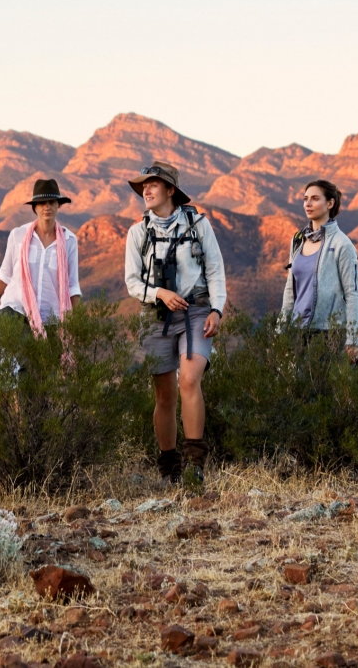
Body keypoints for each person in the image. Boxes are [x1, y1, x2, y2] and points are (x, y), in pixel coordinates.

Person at [125, 161, 227, 484]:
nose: (146, 190)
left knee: (189, 381)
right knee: (164, 395)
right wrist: (159, 294)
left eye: (153, 184)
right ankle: (170, 470)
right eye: (143, 185)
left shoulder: (198, 224)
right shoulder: (137, 233)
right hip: (156, 317)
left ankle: (196, 467)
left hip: (196, 312)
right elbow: (131, 282)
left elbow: (215, 269)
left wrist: (218, 310)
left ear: (171, 190)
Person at [0, 178, 81, 332]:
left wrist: (76, 322)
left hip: (50, 317)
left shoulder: (69, 241)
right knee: (9, 353)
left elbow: (72, 284)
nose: (47, 207)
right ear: (35, 207)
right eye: (41, 203)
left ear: (58, 205)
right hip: (15, 310)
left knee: (49, 356)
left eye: (52, 202)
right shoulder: (18, 235)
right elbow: (5, 275)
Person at [280, 179, 358, 361]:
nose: (308, 204)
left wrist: (353, 340)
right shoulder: (298, 240)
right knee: (293, 387)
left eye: (315, 199)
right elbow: (290, 289)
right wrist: (281, 329)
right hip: (297, 328)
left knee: (319, 388)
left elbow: (352, 294)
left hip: (328, 331)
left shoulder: (342, 244)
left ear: (330, 203)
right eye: (305, 198)